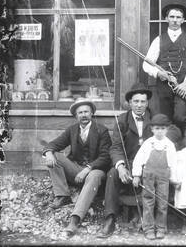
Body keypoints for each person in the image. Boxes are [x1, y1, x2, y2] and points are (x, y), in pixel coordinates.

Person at [42, 98, 111, 236]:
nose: (83, 115)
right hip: (76, 170)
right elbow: (54, 144)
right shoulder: (72, 130)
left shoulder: (101, 130)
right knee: (55, 155)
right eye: (80, 113)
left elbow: (105, 157)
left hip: (95, 172)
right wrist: (49, 153)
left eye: (86, 112)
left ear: (91, 114)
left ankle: (74, 220)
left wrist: (88, 168)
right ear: (76, 116)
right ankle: (62, 195)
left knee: (94, 175)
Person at [99, 82, 153, 237]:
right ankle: (109, 218)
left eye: (143, 101)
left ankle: (146, 218)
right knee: (112, 173)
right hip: (128, 162)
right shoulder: (121, 120)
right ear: (130, 103)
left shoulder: (154, 118)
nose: (139, 105)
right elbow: (115, 147)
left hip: (147, 164)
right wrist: (121, 166)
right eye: (136, 101)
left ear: (147, 103)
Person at [142, 3, 186, 132]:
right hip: (163, 88)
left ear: (183, 20)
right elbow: (146, 63)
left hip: (182, 87)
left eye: (178, 17)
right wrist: (158, 73)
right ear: (166, 18)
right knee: (163, 119)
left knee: (181, 117)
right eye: (172, 16)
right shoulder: (158, 40)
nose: (175, 20)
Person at [132, 114, 178, 240]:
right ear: (152, 129)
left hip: (163, 177)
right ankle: (148, 228)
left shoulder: (169, 145)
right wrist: (136, 175)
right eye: (157, 128)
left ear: (167, 129)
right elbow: (138, 160)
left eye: (162, 128)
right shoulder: (148, 143)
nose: (159, 131)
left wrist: (174, 179)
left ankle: (161, 228)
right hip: (149, 176)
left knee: (162, 202)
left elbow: (173, 163)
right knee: (148, 201)